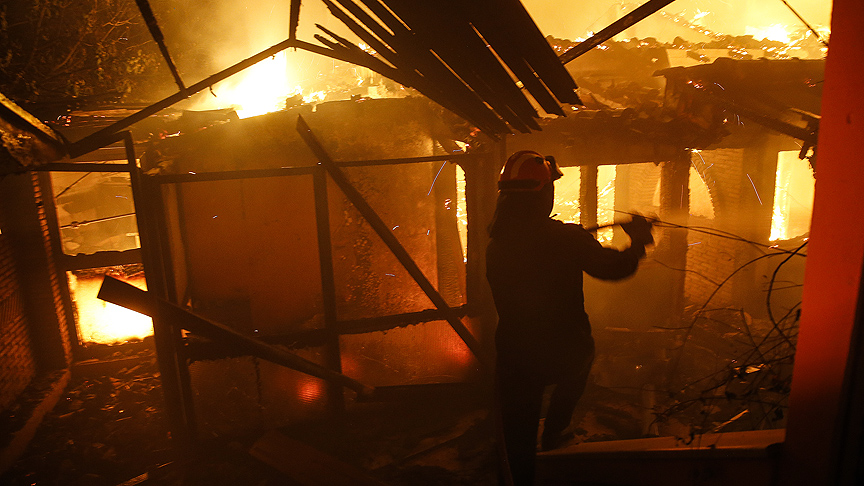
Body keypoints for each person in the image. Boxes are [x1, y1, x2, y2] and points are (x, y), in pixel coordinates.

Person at [486, 150, 653, 485]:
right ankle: (557, 432)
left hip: (514, 352)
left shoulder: (497, 242)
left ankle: (518, 475)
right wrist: (637, 244)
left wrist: (574, 240)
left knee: (517, 435)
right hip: (561, 349)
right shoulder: (563, 239)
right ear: (543, 194)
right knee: (584, 354)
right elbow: (613, 267)